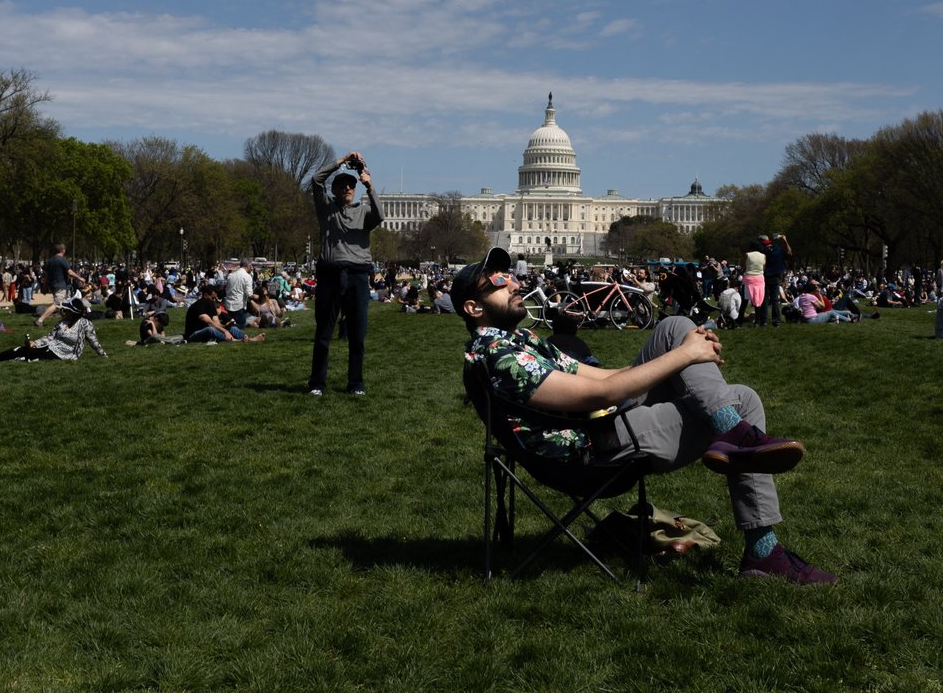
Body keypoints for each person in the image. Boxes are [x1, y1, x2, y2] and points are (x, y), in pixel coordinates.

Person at [454, 246, 835, 584]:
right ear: (474, 307)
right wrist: (685, 357)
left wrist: (683, 354)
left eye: (510, 276)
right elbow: (597, 393)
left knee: (676, 328)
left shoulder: (520, 341)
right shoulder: (497, 355)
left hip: (604, 421)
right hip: (591, 448)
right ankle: (763, 548)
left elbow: (605, 377)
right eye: (499, 282)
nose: (515, 284)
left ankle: (733, 437)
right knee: (740, 398)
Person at [307, 151, 384, 396]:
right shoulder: (327, 209)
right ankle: (317, 383)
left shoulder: (363, 211)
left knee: (357, 335)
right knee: (323, 334)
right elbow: (316, 180)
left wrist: (369, 184)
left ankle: (356, 383)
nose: (347, 189)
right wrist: (342, 160)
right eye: (342, 186)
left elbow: (380, 215)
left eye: (350, 186)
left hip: (357, 275)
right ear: (336, 190)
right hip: (330, 273)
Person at [0, 299, 107, 364]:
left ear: (74, 313)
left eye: (66, 310)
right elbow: (50, 337)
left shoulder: (85, 324)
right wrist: (35, 342)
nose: (63, 312)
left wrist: (104, 356)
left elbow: (94, 343)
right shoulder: (62, 323)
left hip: (65, 355)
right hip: (50, 348)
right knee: (22, 349)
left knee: (26, 353)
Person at [184, 284, 264, 343]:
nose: (214, 300)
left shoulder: (211, 305)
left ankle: (246, 338)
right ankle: (236, 340)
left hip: (206, 334)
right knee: (210, 329)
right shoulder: (198, 305)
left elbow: (217, 323)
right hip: (192, 335)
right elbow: (210, 323)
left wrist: (226, 326)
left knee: (233, 328)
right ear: (205, 295)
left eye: (215, 298)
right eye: (212, 298)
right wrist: (225, 331)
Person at [35, 243, 85, 328]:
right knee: (57, 304)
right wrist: (79, 278)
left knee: (65, 305)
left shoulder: (50, 261)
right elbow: (69, 272)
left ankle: (67, 321)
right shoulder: (62, 260)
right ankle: (40, 320)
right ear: (63, 250)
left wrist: (44, 287)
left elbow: (47, 276)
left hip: (54, 286)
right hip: (61, 286)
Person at [223, 259, 255, 328]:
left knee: (236, 322)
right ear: (248, 266)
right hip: (238, 305)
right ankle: (228, 327)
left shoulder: (230, 275)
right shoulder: (247, 276)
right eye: (251, 266)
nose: (252, 268)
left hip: (228, 304)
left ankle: (229, 325)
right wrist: (256, 296)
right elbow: (249, 294)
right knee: (242, 325)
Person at [742, 239, 767, 326]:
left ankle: (740, 320)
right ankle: (758, 321)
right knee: (758, 300)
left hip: (749, 278)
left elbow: (743, 266)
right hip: (760, 279)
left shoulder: (747, 255)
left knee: (745, 300)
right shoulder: (763, 256)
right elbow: (763, 268)